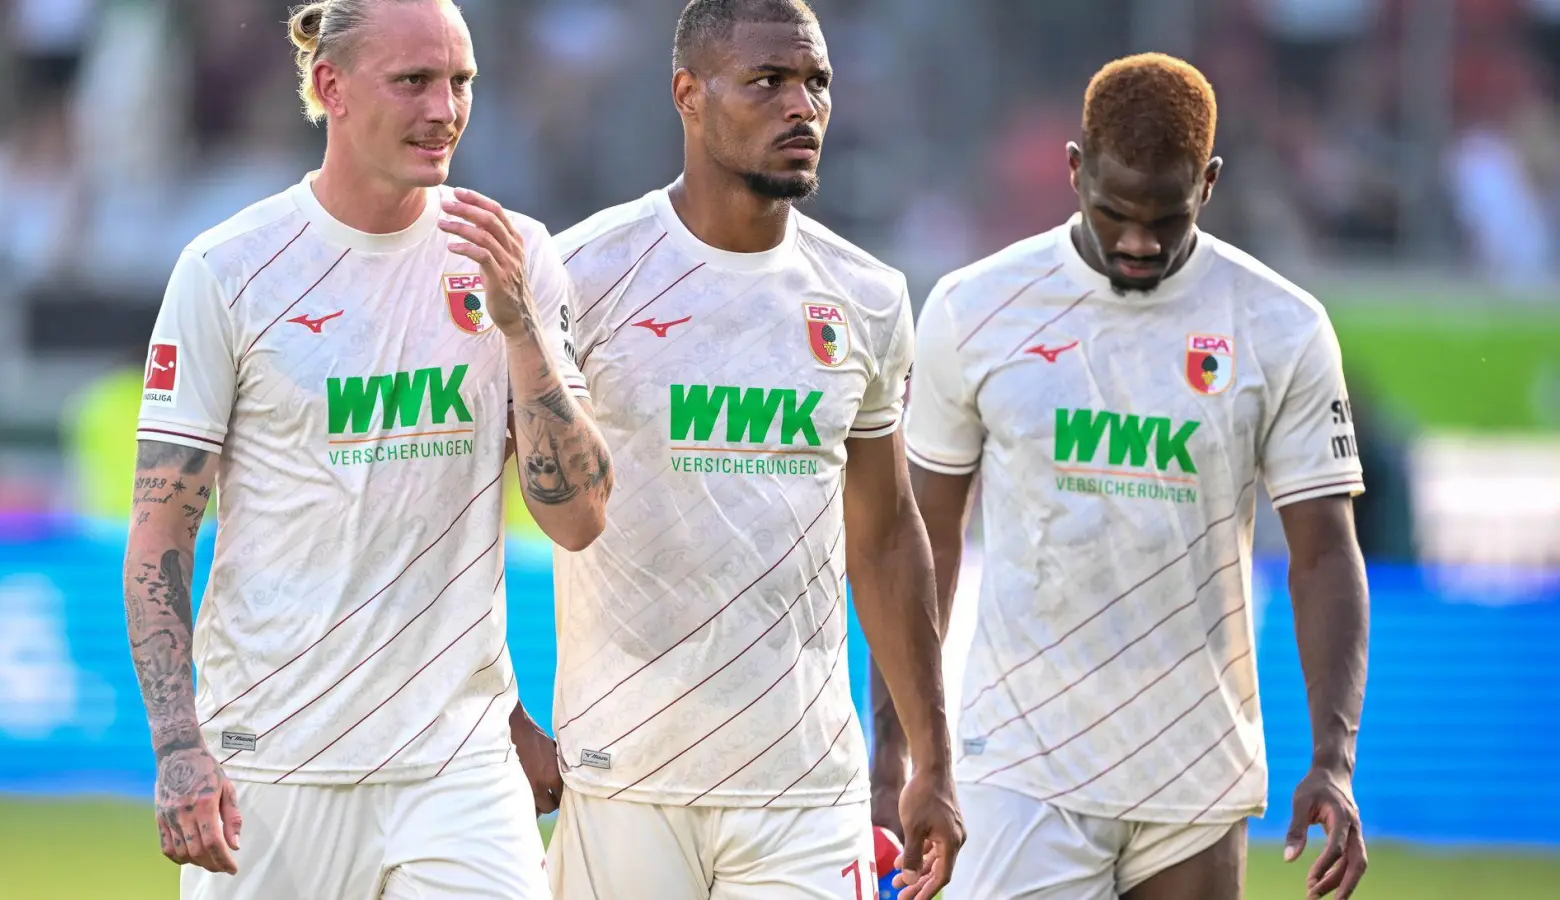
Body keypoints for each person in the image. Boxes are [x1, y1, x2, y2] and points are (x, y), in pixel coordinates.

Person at [122, 1, 612, 897]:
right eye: (414, 80)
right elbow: (160, 536)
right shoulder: (228, 270)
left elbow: (579, 517)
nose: (445, 109)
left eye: (461, 81)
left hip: (457, 767)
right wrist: (180, 746)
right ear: (329, 88)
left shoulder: (516, 257)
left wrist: (521, 333)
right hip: (272, 764)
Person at [884, 53, 1371, 900]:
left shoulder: (1282, 326)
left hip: (1197, 771)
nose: (1140, 241)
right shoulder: (975, 309)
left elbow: (1325, 555)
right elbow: (923, 547)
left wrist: (1334, 760)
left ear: (1209, 184)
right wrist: (902, 750)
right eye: (1115, 213)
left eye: (1167, 218)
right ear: (1075, 171)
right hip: (1020, 770)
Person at [545, 1, 964, 898]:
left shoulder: (869, 296)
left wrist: (932, 757)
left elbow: (887, 537)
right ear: (687, 95)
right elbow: (475, 501)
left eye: (817, 83)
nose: (802, 107)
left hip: (805, 791)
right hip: (625, 774)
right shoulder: (583, 273)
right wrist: (504, 716)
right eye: (768, 82)